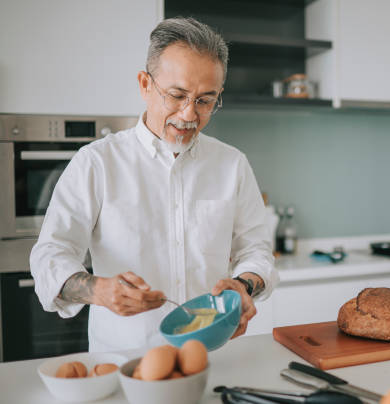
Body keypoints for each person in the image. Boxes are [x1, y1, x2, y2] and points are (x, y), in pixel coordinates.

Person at [30, 17, 278, 352]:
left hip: (213, 356)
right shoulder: (97, 162)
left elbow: (256, 250)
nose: (190, 115)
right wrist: (98, 290)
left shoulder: (232, 164)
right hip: (123, 359)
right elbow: (50, 255)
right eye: (177, 95)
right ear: (145, 84)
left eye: (206, 100)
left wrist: (244, 284)